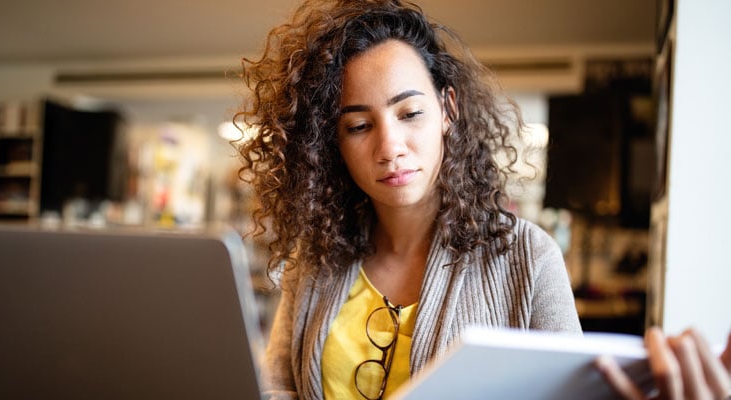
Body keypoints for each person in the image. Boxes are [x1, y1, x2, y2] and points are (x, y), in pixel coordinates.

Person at [233, 0, 731, 399]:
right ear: (331, 142)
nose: (390, 147)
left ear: (448, 109)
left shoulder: (528, 258)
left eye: (410, 113)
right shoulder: (313, 261)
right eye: (359, 126)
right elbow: (280, 386)